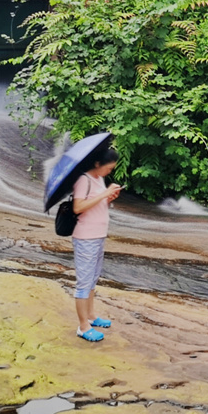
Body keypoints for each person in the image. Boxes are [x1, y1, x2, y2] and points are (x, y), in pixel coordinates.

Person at [71, 145, 122, 343]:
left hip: (98, 235)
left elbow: (95, 205)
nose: (109, 172)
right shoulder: (83, 180)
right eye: (108, 168)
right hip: (85, 237)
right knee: (84, 282)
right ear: (98, 163)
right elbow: (78, 208)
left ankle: (91, 316)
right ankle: (83, 326)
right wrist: (103, 194)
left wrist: (108, 198)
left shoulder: (99, 179)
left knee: (92, 278)